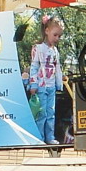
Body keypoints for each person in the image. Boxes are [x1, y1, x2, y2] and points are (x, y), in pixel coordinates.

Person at [28, 15, 64, 144]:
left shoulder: (55, 51)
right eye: (55, 35)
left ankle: (50, 137)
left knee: (51, 112)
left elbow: (57, 67)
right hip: (41, 85)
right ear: (47, 31)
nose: (57, 38)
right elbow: (34, 66)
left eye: (59, 36)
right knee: (41, 112)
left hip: (51, 86)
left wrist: (59, 83)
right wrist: (33, 84)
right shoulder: (38, 48)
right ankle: (39, 137)